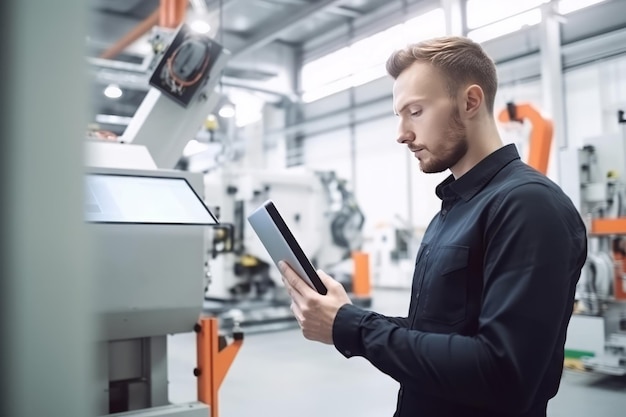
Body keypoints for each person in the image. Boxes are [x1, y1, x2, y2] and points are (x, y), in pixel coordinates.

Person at [279, 36, 587, 417]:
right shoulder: (454, 209)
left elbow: (503, 372)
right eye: (399, 115)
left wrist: (354, 328)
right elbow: (441, 331)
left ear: (470, 102)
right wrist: (344, 314)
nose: (401, 132)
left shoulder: (528, 206)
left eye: (415, 111)